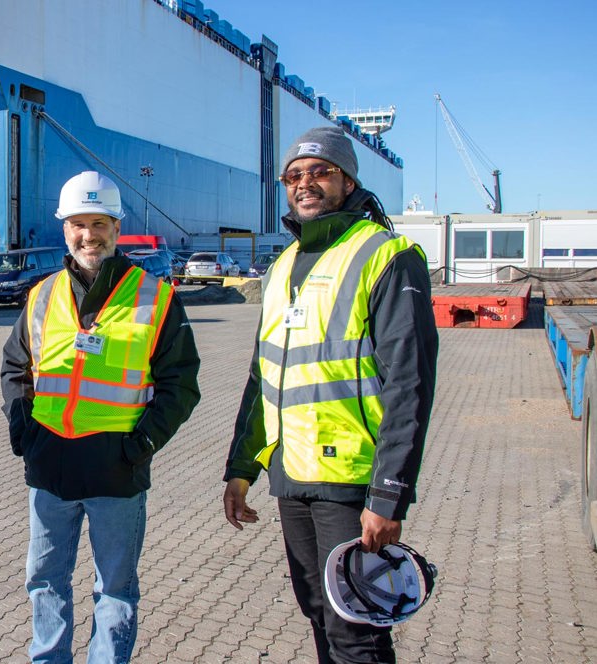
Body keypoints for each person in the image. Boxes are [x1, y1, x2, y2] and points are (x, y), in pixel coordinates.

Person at [222, 127, 438, 664]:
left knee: (358, 627)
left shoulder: (385, 255)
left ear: (346, 179)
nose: (305, 183)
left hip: (352, 485)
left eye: (320, 172)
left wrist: (388, 496)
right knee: (319, 610)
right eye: (294, 175)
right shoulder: (280, 268)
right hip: (292, 478)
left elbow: (409, 383)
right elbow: (262, 380)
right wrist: (241, 469)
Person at [1, 171, 201, 662]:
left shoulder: (155, 297)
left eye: (98, 223)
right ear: (64, 229)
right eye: (77, 224)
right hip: (49, 470)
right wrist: (24, 431)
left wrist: (141, 444)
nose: (87, 235)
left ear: (116, 226)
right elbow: (15, 366)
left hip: (117, 471)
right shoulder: (42, 295)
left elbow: (181, 384)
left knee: (114, 588)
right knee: (44, 580)